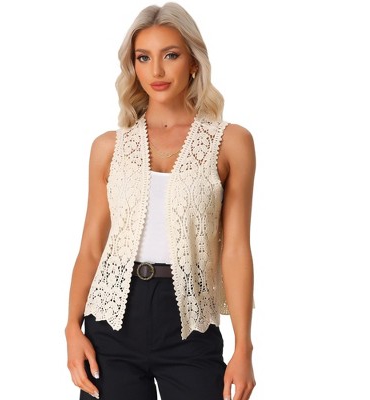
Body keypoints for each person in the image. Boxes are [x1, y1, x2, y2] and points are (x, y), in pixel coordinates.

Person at [65, 2, 256, 400]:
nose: (156, 71)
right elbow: (91, 247)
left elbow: (236, 249)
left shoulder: (231, 142)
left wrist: (243, 347)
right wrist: (71, 328)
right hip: (112, 321)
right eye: (143, 58)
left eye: (170, 55)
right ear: (132, 66)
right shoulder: (108, 147)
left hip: (189, 321)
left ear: (193, 62)